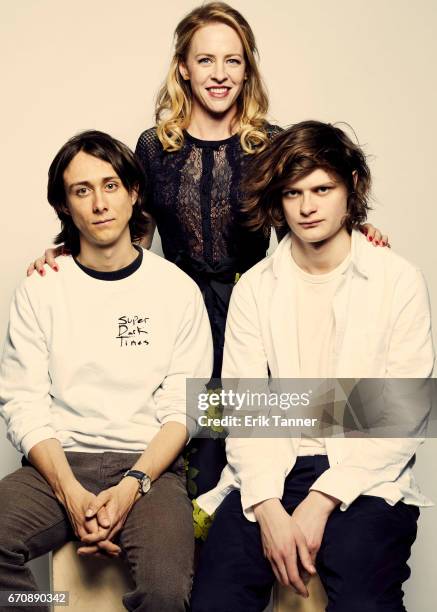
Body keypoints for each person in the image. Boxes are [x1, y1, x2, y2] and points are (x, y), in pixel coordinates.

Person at [25, 2, 386, 499]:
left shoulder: (270, 141)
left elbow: (302, 228)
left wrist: (362, 240)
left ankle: (248, 550)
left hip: (252, 313)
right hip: (178, 316)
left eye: (233, 61)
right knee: (184, 442)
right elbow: (130, 236)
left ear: (247, 68)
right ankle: (178, 564)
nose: (220, 75)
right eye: (206, 60)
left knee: (248, 445)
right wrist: (68, 255)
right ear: (183, 68)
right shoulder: (155, 145)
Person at [190, 120, 434, 612]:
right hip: (269, 470)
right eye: (293, 192)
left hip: (366, 475)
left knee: (366, 603)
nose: (307, 207)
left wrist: (321, 501)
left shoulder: (398, 281)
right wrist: (268, 507)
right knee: (215, 600)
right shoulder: (255, 288)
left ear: (351, 188)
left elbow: (404, 415)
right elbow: (244, 414)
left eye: (322, 189)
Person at [0, 130, 213, 612]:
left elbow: (182, 408)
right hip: (59, 460)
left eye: (111, 185)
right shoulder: (42, 288)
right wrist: (71, 493)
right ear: (63, 206)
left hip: (148, 468)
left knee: (166, 589)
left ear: (134, 192)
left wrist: (131, 486)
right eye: (82, 191)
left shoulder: (176, 289)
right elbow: (24, 401)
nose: (99, 203)